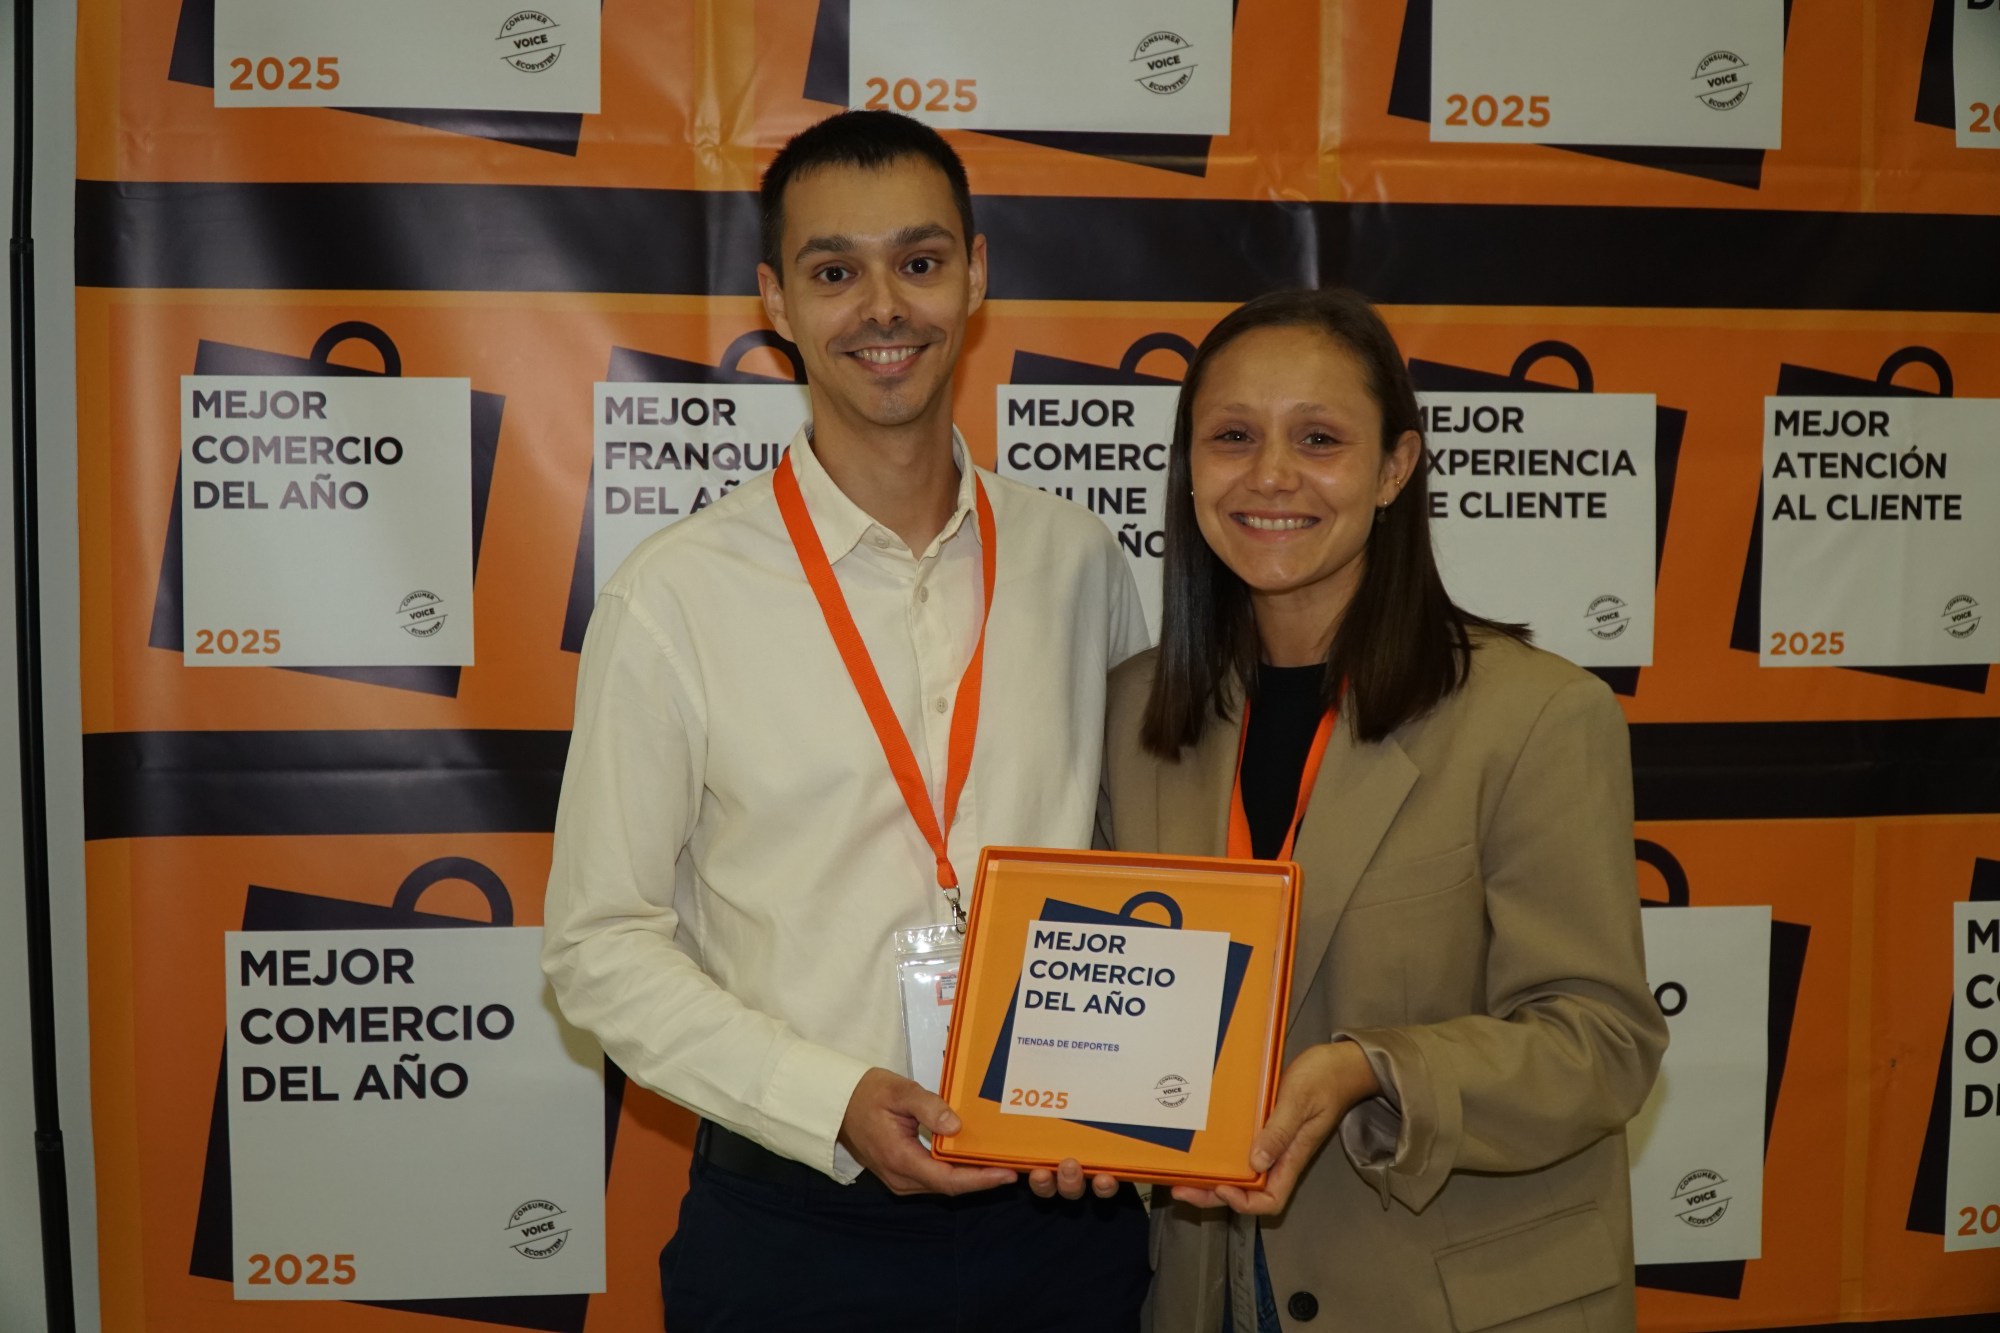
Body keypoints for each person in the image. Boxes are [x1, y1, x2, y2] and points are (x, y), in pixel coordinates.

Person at [541, 110, 1151, 1330]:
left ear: (975, 275)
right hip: (793, 1233)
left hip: (1063, 1225)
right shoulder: (677, 596)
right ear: (775, 298)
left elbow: (1140, 856)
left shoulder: (1078, 561)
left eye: (919, 262)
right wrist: (825, 1098)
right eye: (834, 272)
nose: (883, 307)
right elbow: (597, 945)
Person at [1095, 288, 1668, 1331]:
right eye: (1231, 436)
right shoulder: (1131, 714)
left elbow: (1602, 1041)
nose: (1271, 474)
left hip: (1443, 1298)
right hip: (1205, 1291)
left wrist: (1374, 1069)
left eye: (1318, 438)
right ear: (1188, 468)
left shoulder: (1536, 715)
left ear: (1396, 467)